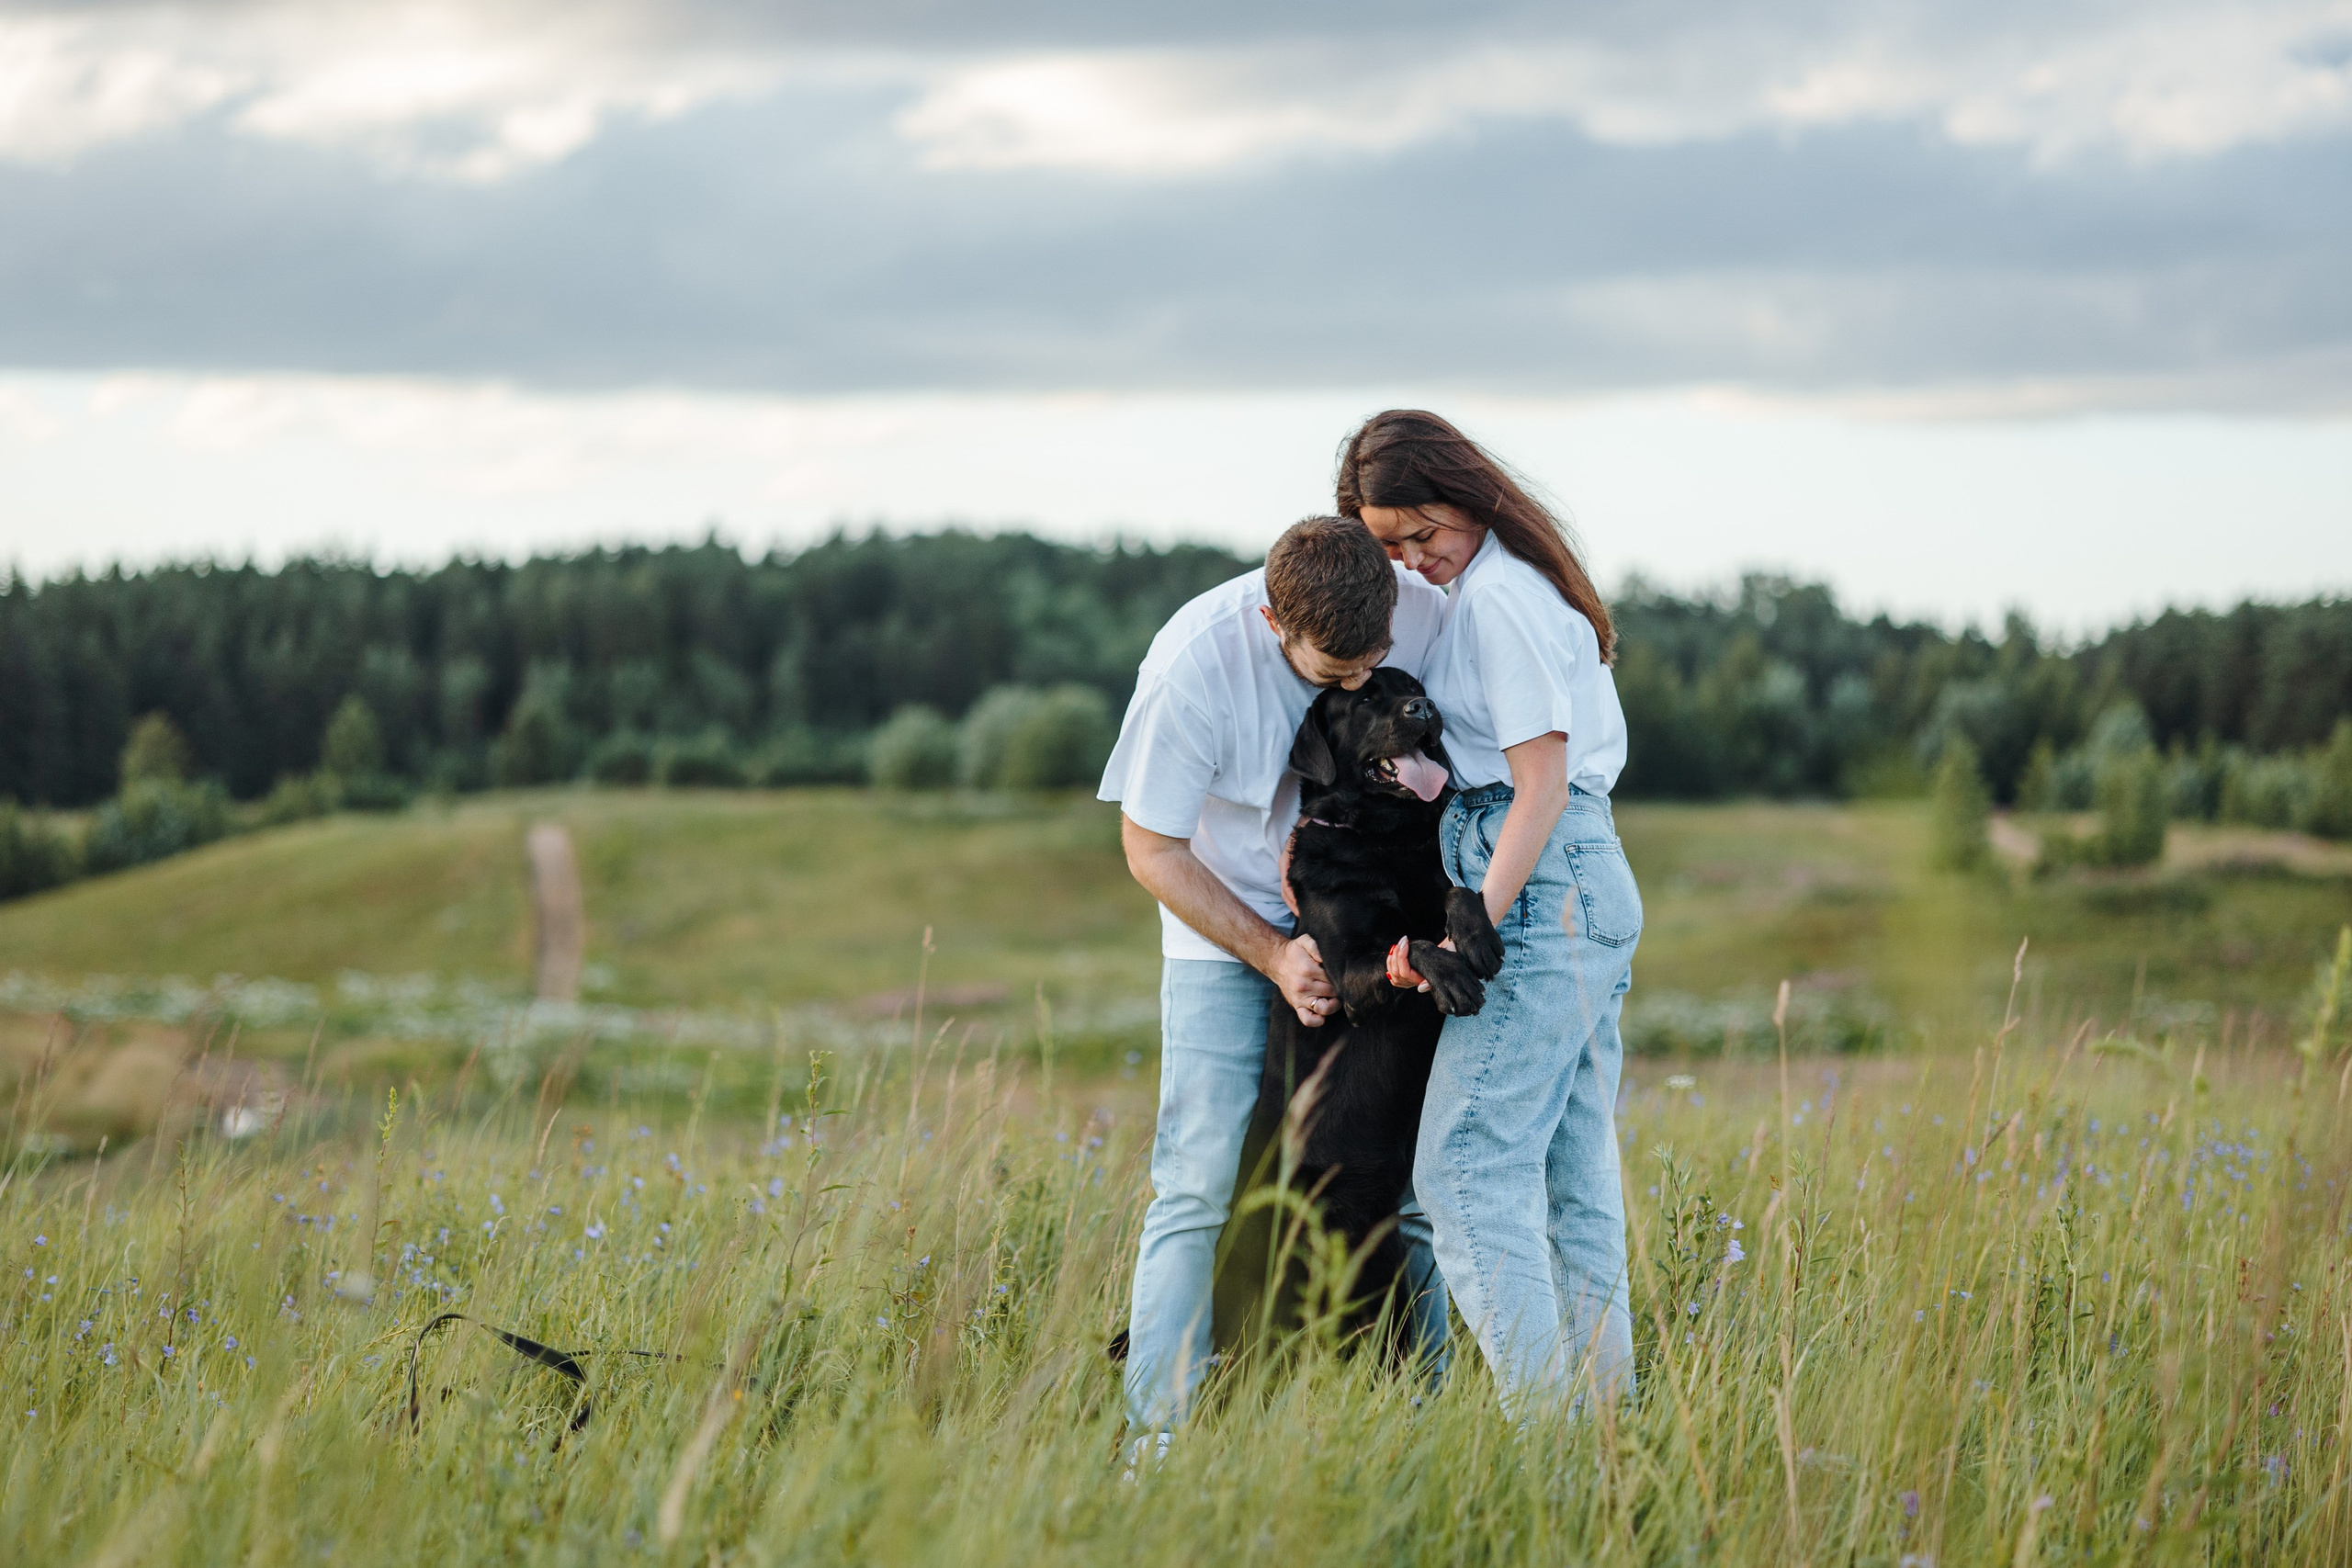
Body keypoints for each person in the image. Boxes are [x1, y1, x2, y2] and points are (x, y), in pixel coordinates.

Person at [1099, 514, 1450, 1441]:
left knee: (1405, 1184)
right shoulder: (1194, 667)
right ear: (1271, 624)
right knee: (1199, 1182)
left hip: (1362, 917)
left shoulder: (1412, 609)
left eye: (1373, 659)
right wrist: (1270, 950)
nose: (1361, 683)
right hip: (1221, 929)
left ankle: (1439, 1415)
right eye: (1337, 674)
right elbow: (1150, 848)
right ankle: (1158, 1439)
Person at [1339, 409, 1642, 1421]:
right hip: (1584, 884)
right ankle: (1607, 1445)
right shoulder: (1508, 582)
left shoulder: (1502, 599)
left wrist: (1475, 919)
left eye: (1425, 532)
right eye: (1390, 545)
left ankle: (1549, 1461)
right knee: (1571, 1187)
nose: (1416, 558)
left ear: (1467, 494)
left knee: (1463, 1172)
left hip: (1540, 878)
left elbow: (1539, 785)